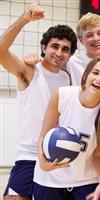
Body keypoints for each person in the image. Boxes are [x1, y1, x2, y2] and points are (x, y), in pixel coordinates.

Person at [0, 5, 77, 200]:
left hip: (56, 155)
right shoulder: (29, 71)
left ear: (69, 55)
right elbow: (1, 51)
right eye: (55, 46)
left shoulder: (68, 78)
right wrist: (24, 19)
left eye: (65, 49)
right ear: (44, 47)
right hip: (29, 155)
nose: (59, 52)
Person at [33, 57, 100, 200]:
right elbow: (43, 135)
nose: (99, 79)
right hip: (50, 178)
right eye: (95, 73)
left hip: (86, 181)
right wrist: (42, 162)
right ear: (86, 75)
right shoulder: (62, 95)